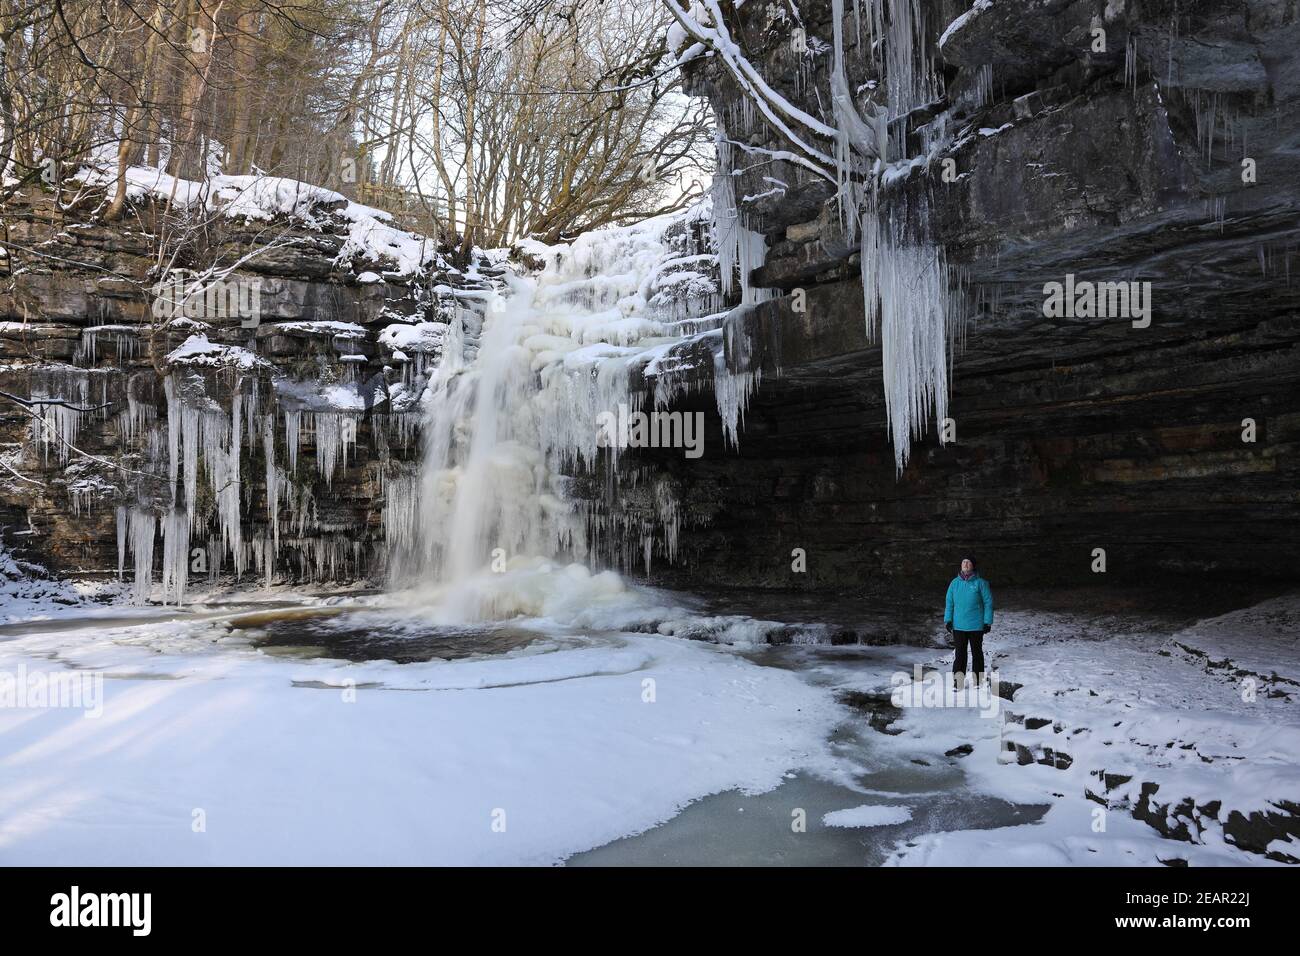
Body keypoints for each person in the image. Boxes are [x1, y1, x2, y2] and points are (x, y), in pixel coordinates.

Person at [944, 556, 993, 689]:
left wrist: (987, 622)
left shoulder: (981, 583)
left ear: (973, 566)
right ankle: (958, 682)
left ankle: (978, 681)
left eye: (968, 562)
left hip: (976, 625)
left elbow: (988, 603)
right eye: (963, 562)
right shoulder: (954, 583)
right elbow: (949, 603)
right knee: (960, 653)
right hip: (959, 625)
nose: (965, 564)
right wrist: (948, 620)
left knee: (977, 652)